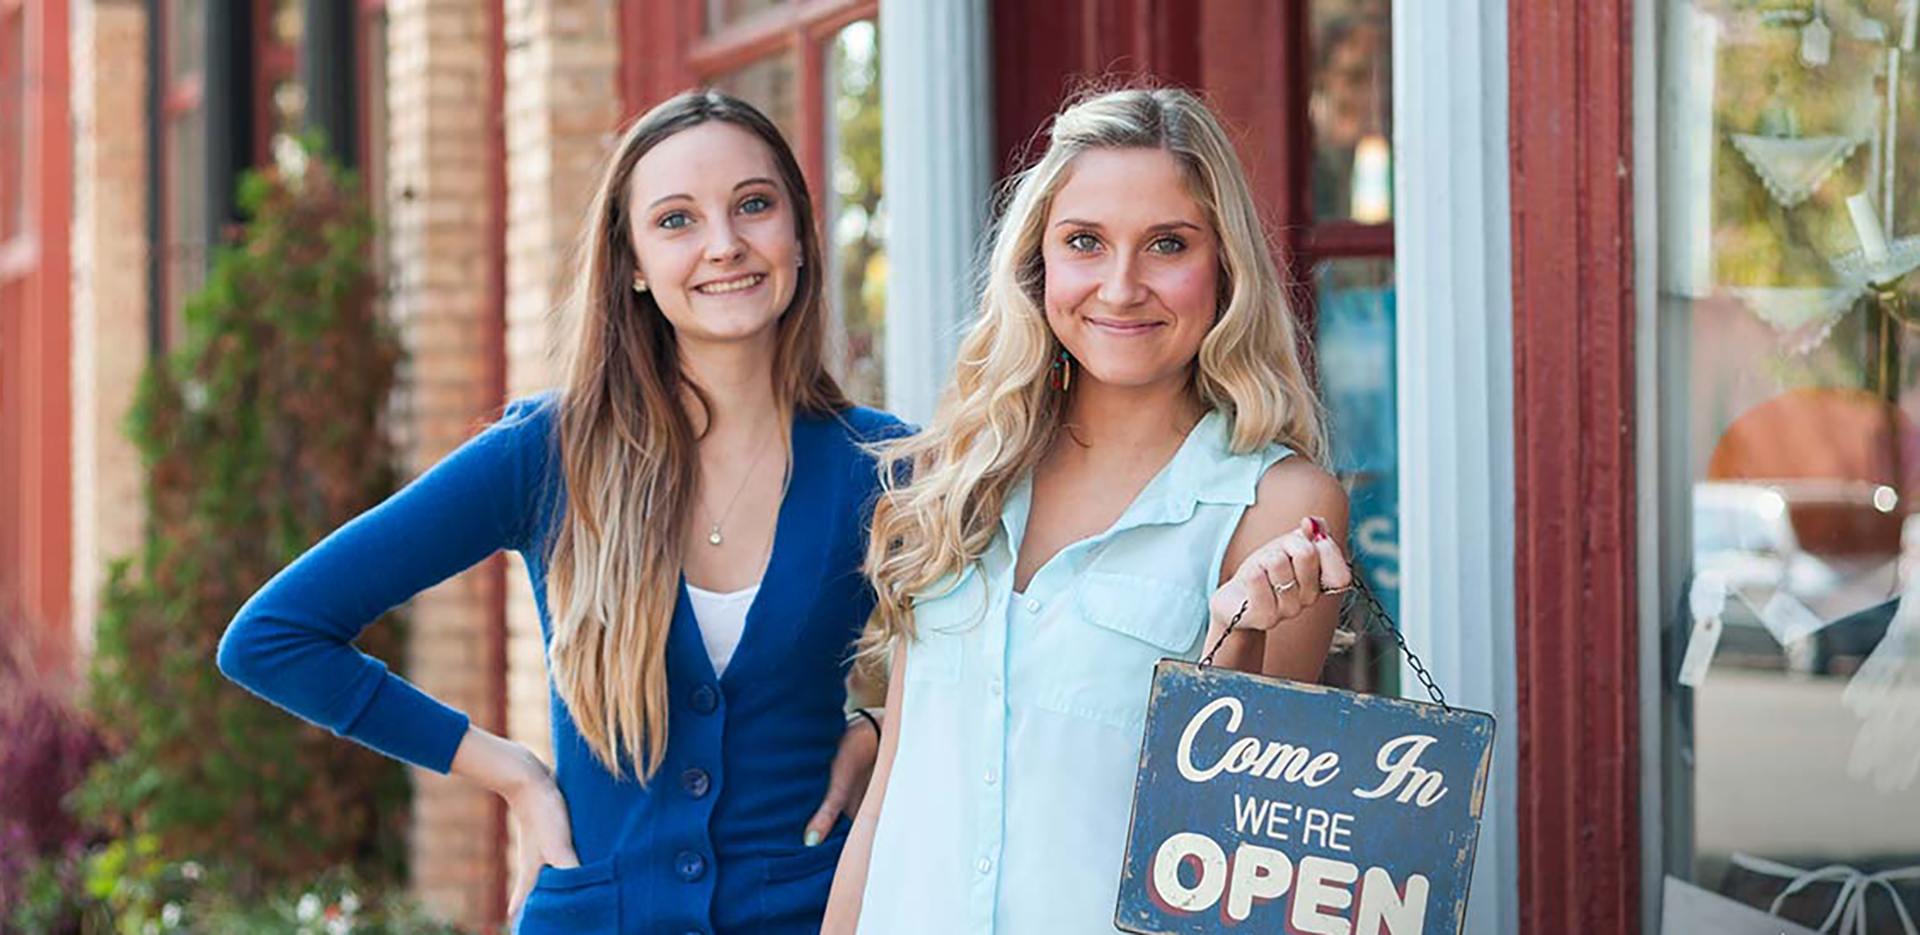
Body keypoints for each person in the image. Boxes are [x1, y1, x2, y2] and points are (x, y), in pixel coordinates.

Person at [218, 90, 903, 934]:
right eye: (677, 220)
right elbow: (273, 635)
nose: (725, 244)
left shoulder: (884, 466)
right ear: (633, 266)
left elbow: (1000, 655)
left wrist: (879, 730)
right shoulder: (550, 453)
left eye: (753, 205)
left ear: (800, 231)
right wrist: (508, 771)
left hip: (811, 910)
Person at [822, 87, 1354, 935]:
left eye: (1167, 245)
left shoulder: (1277, 507)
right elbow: (890, 800)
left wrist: (1237, 633)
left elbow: (1240, 855)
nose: (1120, 285)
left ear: (1223, 265)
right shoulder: (968, 472)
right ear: (1039, 263)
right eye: (1084, 242)